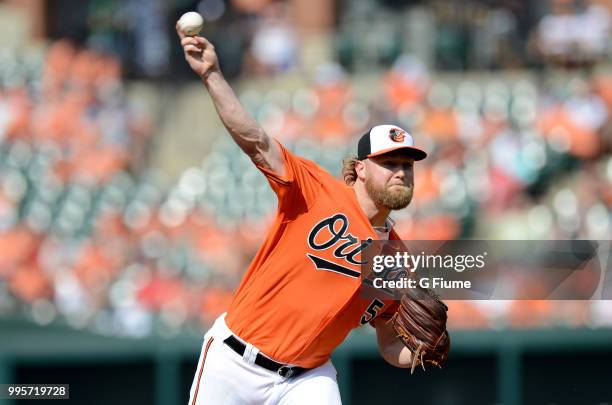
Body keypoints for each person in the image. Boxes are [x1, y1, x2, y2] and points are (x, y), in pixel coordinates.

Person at [177, 23, 432, 405]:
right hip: (234, 362)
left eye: (407, 165)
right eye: (389, 162)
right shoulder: (315, 189)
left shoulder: (396, 261)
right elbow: (256, 140)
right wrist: (212, 75)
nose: (400, 171)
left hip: (307, 379)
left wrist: (420, 352)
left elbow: (388, 340)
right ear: (360, 168)